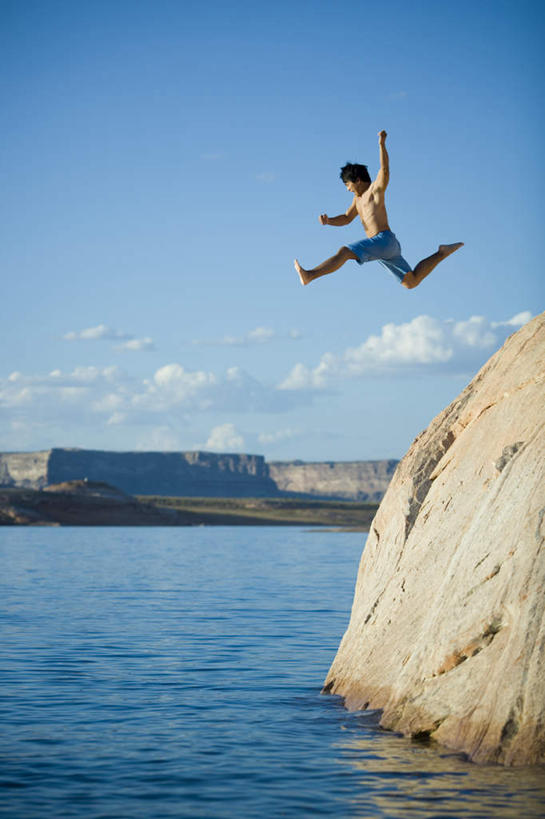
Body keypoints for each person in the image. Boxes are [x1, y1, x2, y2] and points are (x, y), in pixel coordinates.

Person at [294, 131, 463, 289]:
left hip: (383, 241)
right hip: (385, 248)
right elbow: (346, 218)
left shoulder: (374, 190)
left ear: (357, 180)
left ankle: (310, 275)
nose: (347, 189)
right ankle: (441, 253)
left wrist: (382, 144)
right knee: (411, 281)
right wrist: (329, 221)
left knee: (345, 252)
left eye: (348, 184)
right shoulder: (357, 200)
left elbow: (385, 171)